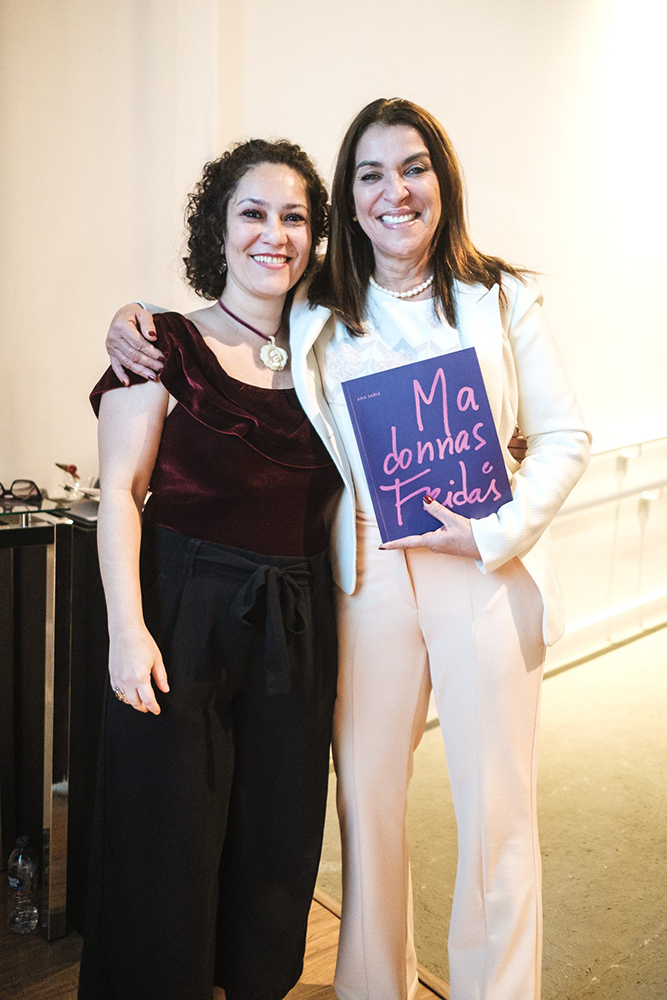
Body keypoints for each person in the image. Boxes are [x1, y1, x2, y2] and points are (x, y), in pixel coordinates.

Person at [103, 99, 591, 1000]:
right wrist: (135, 318)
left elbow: (564, 437)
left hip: (482, 560)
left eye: (412, 168)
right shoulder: (320, 305)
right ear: (350, 199)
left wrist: (493, 531)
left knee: (495, 814)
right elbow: (230, 308)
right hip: (364, 571)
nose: (393, 191)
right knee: (365, 806)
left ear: (442, 180)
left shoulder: (501, 296)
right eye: (370, 174)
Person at [78, 139, 342, 1000]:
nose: (274, 234)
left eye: (294, 217)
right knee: (168, 841)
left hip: (297, 623)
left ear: (315, 236)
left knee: (274, 843)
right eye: (252, 213)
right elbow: (121, 492)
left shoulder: (333, 355)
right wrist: (126, 632)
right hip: (180, 612)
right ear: (217, 229)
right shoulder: (163, 345)